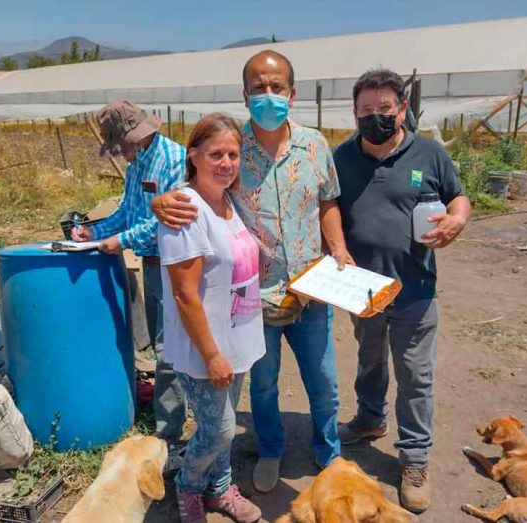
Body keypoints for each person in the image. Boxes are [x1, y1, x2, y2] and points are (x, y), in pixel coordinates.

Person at [152, 50, 353, 493]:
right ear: (245, 95)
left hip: (311, 288)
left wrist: (337, 246)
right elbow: (194, 187)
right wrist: (158, 201)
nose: (268, 95)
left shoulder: (315, 144)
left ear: (292, 93)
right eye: (258, 87)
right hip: (254, 299)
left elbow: (328, 202)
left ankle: (329, 453)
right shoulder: (231, 148)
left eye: (276, 87)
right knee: (262, 386)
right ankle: (270, 449)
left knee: (323, 383)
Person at [332, 69, 471, 513]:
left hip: (415, 289)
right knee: (369, 360)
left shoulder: (429, 153)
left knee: (415, 375)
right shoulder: (341, 158)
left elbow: (459, 197)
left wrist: (457, 220)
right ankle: (370, 419)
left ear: (402, 109)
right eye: (366, 111)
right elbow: (327, 206)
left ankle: (414, 459)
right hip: (364, 289)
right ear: (354, 113)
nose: (375, 118)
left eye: (384, 110)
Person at [158, 113, 264, 523]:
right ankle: (188, 487)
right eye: (216, 153)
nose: (226, 163)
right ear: (194, 156)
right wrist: (212, 355)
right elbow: (185, 294)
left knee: (224, 424)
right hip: (205, 348)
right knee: (217, 430)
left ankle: (220, 491)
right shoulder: (186, 210)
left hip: (236, 337)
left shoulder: (228, 202)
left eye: (233, 154)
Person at [71, 100, 188, 446]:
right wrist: (96, 232)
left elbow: (164, 223)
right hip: (152, 266)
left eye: (120, 148)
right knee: (160, 346)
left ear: (135, 138)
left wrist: (119, 241)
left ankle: (169, 432)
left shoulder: (173, 161)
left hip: (174, 265)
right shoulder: (138, 164)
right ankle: (173, 411)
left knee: (170, 352)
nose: (121, 155)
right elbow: (128, 210)